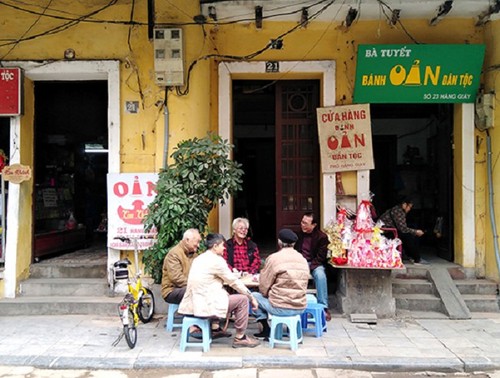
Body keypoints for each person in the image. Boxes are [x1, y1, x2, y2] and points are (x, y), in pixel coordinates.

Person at [179, 233, 261, 348]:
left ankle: (215, 328)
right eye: (222, 245)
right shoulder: (217, 261)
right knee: (242, 300)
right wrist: (251, 297)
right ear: (215, 246)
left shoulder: (198, 259)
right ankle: (240, 337)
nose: (224, 248)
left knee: (224, 294)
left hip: (195, 303)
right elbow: (233, 281)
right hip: (206, 304)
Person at [251, 228, 310, 340]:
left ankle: (266, 329)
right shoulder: (302, 259)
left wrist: (268, 293)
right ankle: (294, 334)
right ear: (294, 243)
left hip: (281, 306)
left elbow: (263, 286)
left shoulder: (274, 258)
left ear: (279, 242)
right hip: (300, 306)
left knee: (253, 296)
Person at [295, 212, 332, 321]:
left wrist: (310, 268)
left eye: (306, 223)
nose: (302, 225)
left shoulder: (322, 237)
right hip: (300, 262)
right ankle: (295, 303)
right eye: (302, 222)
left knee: (320, 276)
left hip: (315, 263)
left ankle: (323, 307)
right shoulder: (298, 234)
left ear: (314, 225)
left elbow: (321, 257)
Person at [379, 196, 426, 264]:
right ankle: (416, 258)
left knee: (408, 234)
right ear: (404, 204)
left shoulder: (398, 210)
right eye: (409, 207)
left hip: (390, 230)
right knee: (408, 236)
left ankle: (409, 255)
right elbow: (403, 228)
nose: (409, 209)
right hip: (385, 232)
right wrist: (415, 232)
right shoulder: (398, 211)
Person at [161, 228, 202, 305]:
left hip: (188, 287)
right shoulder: (174, 254)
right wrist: (196, 284)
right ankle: (193, 316)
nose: (198, 245)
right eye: (197, 242)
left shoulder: (195, 255)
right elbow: (176, 278)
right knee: (198, 291)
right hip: (171, 290)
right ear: (187, 240)